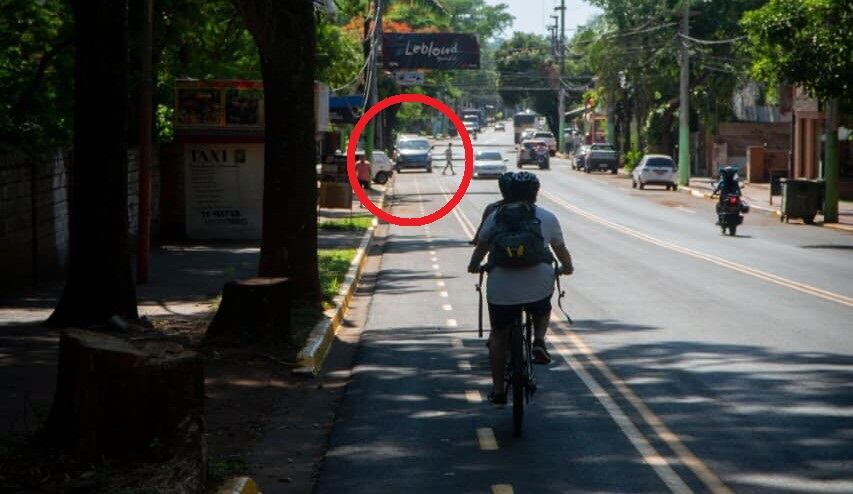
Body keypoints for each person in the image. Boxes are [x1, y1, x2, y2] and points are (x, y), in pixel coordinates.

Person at [467, 171, 574, 406]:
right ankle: (538, 340)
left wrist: (473, 266)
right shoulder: (546, 216)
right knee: (543, 305)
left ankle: (498, 391)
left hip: (502, 287)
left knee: (498, 335)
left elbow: (481, 247)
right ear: (535, 194)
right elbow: (560, 249)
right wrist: (567, 267)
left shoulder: (495, 216)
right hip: (538, 283)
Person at [470, 172, 516, 246]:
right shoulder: (532, 210)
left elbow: (483, 231)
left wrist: (476, 240)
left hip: (499, 251)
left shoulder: (493, 208)